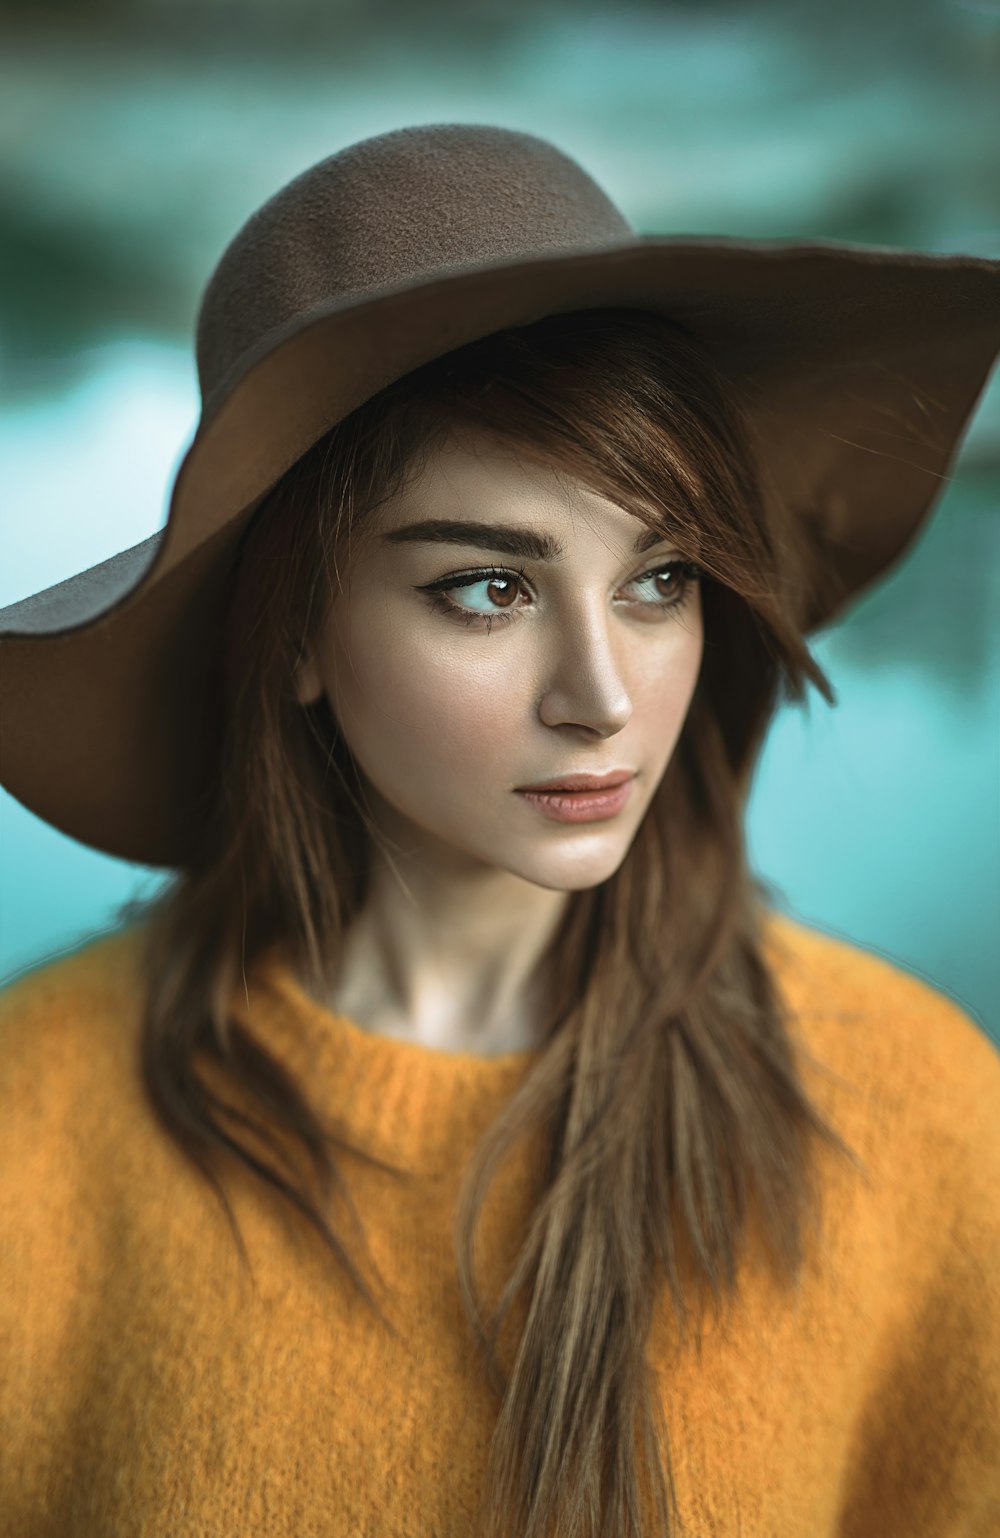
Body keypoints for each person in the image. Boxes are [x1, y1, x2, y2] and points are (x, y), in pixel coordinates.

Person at [1, 122, 998, 1538]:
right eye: (488, 589)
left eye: (658, 577)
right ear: (291, 631)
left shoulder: (921, 1115)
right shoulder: (30, 1117)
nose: (604, 696)